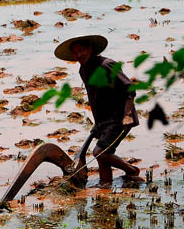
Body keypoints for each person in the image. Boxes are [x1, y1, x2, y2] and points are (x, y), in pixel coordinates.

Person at [54, 35, 140, 188]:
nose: (79, 55)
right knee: (103, 155)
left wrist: (127, 115)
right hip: (104, 120)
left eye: (82, 50)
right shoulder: (84, 69)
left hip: (119, 118)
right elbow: (95, 97)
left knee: (100, 152)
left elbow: (129, 88)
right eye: (75, 52)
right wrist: (98, 123)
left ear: (90, 49)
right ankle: (105, 183)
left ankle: (132, 170)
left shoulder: (106, 65)